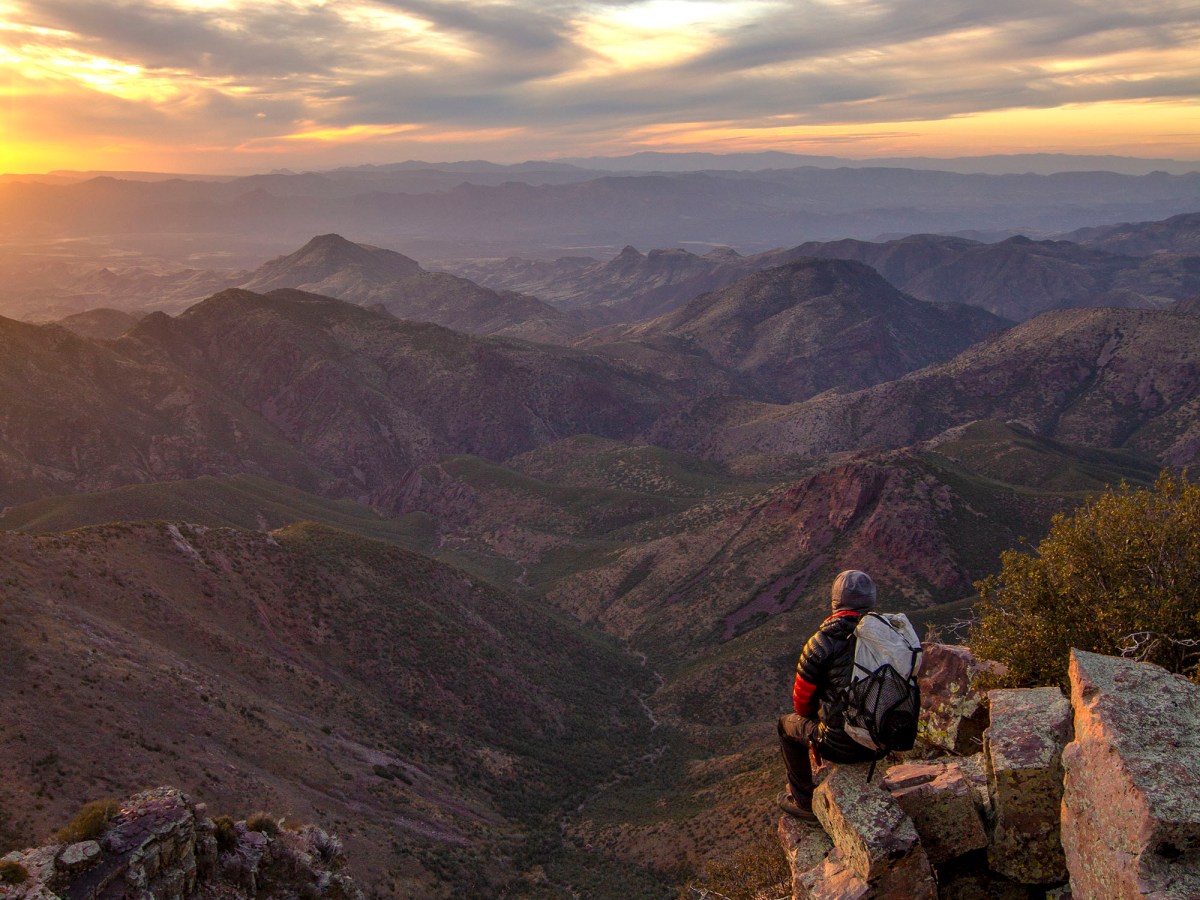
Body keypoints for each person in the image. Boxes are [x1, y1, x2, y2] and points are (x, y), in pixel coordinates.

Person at [777, 569, 881, 820]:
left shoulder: (821, 643)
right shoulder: (890, 638)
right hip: (887, 738)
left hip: (844, 745)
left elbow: (802, 704)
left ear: (835, 603)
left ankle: (804, 802)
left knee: (785, 726)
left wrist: (818, 722)